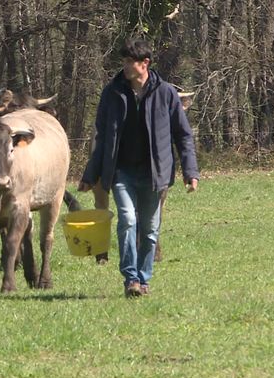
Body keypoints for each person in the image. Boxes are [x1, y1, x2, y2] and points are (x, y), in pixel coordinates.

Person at [78, 38, 199, 297]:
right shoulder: (112, 93)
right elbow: (102, 137)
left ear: (145, 64)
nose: (125, 66)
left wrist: (191, 172)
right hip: (121, 172)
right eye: (123, 61)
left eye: (129, 61)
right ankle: (131, 278)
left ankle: (144, 280)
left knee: (150, 229)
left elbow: (183, 135)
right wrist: (90, 175)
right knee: (128, 221)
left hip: (155, 174)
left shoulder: (165, 93)